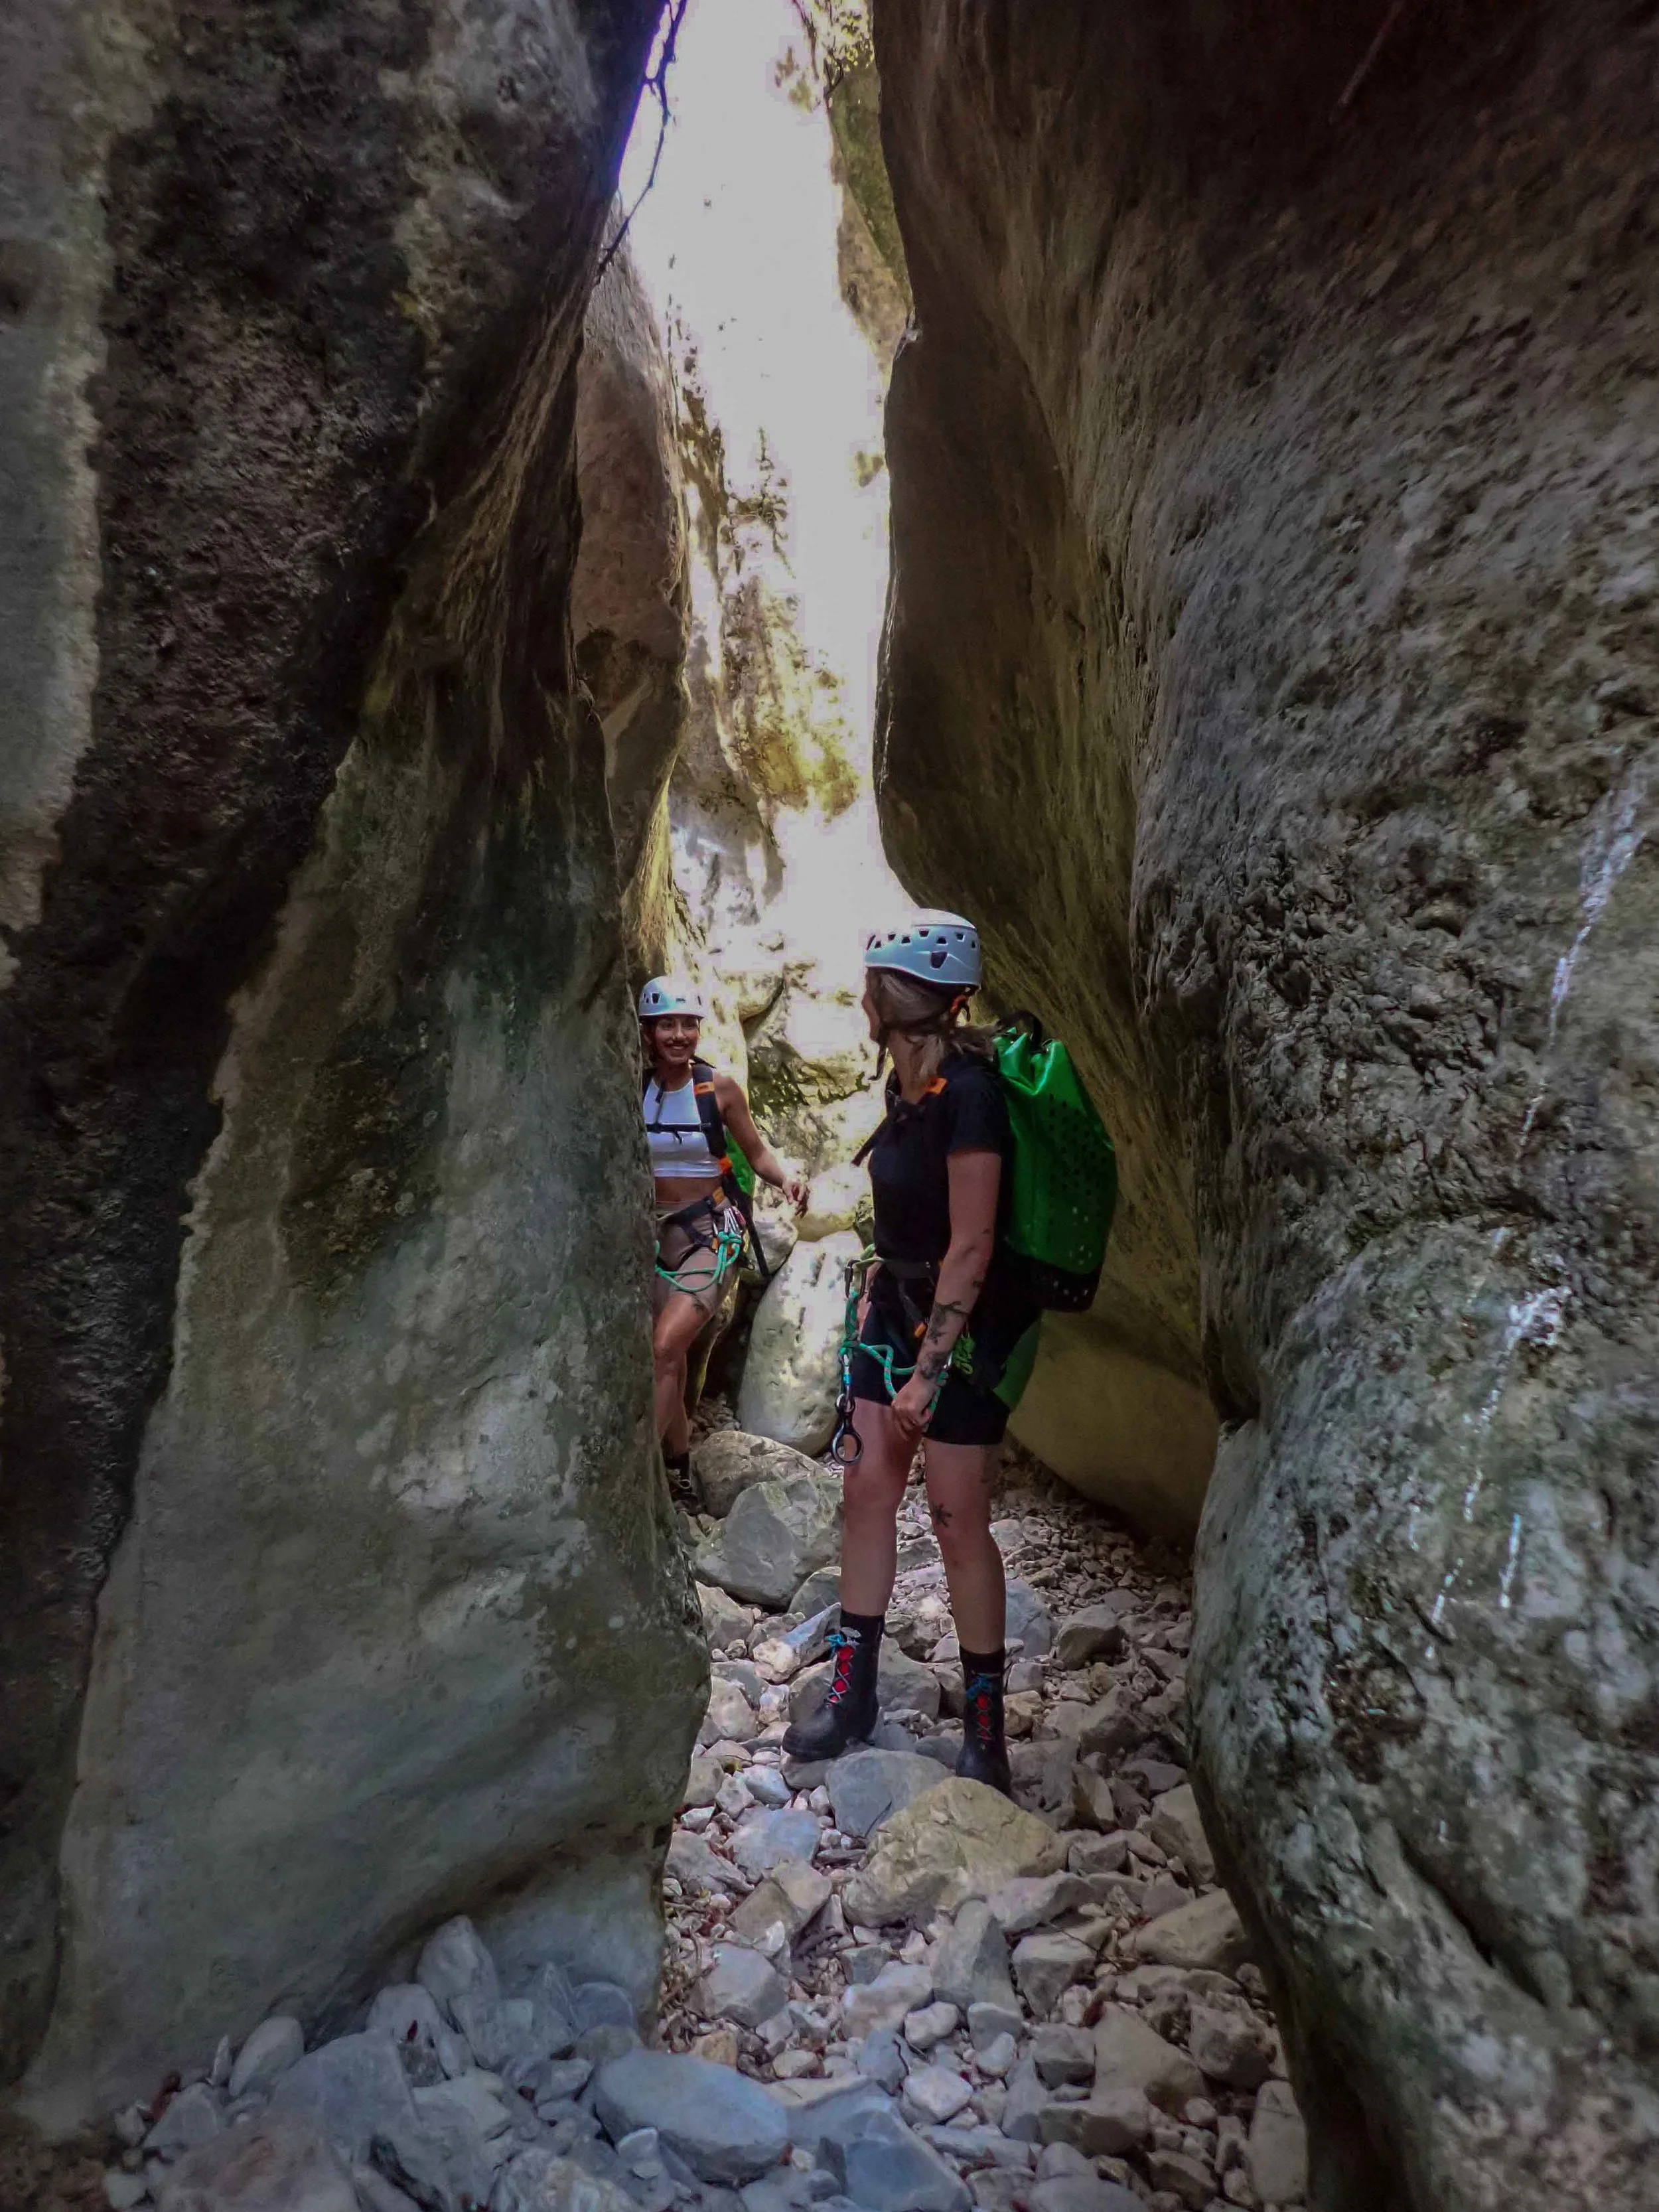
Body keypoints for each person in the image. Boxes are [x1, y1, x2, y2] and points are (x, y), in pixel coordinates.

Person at [782, 914, 1038, 1795]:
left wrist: (930, 1370)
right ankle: (852, 1698)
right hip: (892, 1309)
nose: (860, 997)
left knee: (959, 1518)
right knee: (865, 1495)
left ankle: (986, 1729)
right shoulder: (907, 1085)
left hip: (961, 1331)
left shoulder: (971, 1095)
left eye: (869, 985)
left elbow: (972, 1246)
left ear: (893, 998)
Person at [640, 976, 807, 1506]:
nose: (679, 1034)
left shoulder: (719, 1089)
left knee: (665, 1345)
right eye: (668, 1023)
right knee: (674, 1354)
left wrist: (785, 1180)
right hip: (654, 1236)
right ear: (648, 1031)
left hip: (711, 1234)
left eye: (688, 1023)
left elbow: (755, 1152)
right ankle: (679, 1463)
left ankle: (634, 1475)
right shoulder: (635, 1090)